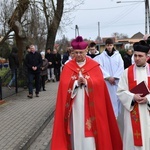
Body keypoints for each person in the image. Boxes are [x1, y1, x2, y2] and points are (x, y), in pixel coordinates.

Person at [50, 36, 122, 150]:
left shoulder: (94, 66)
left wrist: (88, 82)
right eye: (76, 52)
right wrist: (75, 84)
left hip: (91, 107)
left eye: (81, 52)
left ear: (86, 51)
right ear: (72, 52)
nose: (78, 55)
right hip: (74, 109)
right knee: (76, 135)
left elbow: (99, 84)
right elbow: (63, 87)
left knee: (90, 139)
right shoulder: (68, 67)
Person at [117, 42, 150, 150]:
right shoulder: (127, 72)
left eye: (140, 56)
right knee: (132, 142)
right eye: (135, 55)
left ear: (147, 56)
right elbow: (120, 92)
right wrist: (132, 97)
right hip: (132, 114)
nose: (137, 58)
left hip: (147, 112)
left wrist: (148, 99)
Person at [94, 38, 124, 118]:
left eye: (110, 45)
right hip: (107, 82)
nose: (109, 47)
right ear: (105, 46)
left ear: (113, 45)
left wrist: (115, 77)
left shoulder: (118, 56)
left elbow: (121, 67)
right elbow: (100, 68)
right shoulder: (101, 57)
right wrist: (108, 77)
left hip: (116, 81)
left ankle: (116, 116)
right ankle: (109, 116)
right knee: (109, 98)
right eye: (108, 45)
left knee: (117, 98)